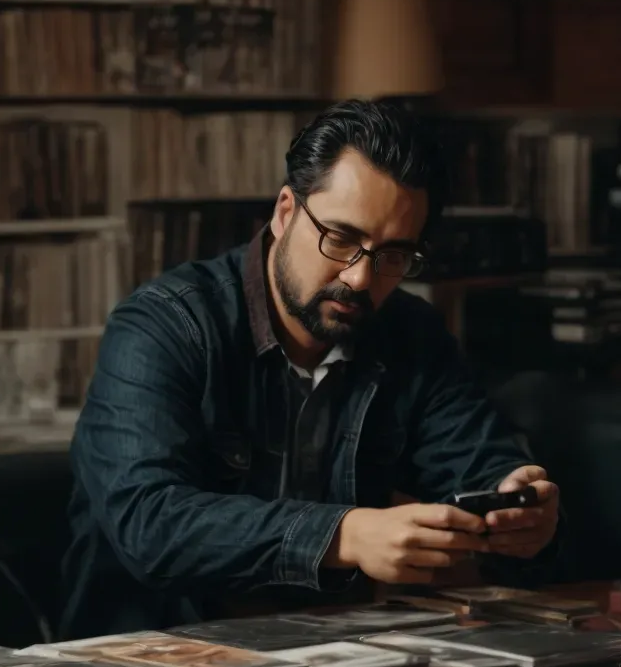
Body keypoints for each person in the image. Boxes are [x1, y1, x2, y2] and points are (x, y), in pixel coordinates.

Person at [61, 98, 559, 637]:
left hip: (337, 652)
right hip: (148, 662)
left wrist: (518, 505)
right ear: (284, 212)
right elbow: (150, 522)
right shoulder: (164, 325)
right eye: (341, 239)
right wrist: (343, 535)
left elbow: (477, 461)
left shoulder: (411, 333)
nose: (360, 278)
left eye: (393, 255)